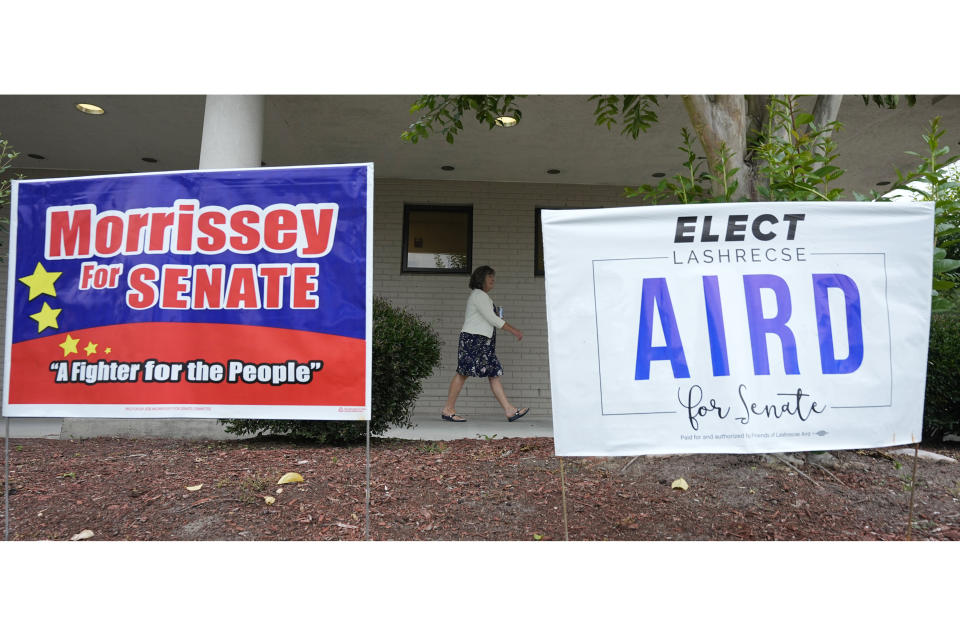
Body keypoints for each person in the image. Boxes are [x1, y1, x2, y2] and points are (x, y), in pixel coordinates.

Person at [441, 265, 530, 423]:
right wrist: (514, 330)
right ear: (480, 279)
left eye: (493, 276)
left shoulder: (482, 297)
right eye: (489, 276)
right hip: (474, 340)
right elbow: (493, 319)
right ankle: (448, 409)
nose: (492, 279)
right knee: (463, 372)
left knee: (493, 374)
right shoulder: (479, 295)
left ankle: (509, 410)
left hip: (482, 342)